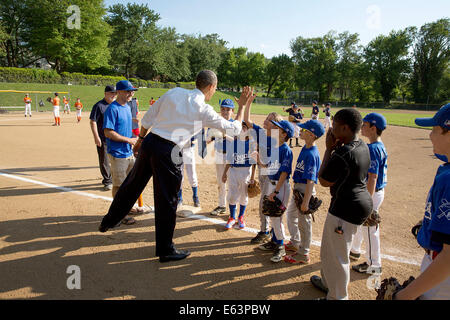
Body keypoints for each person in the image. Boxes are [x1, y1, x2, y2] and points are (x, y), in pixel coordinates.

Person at [98, 70, 252, 263]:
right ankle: (165, 249)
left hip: (151, 142)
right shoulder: (203, 109)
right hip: (169, 151)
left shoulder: (174, 92)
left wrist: (141, 140)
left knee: (132, 184)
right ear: (211, 87)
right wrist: (241, 108)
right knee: (167, 201)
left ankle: (109, 221)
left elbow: (148, 118)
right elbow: (234, 128)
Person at [310, 108, 372, 300]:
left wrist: (329, 149)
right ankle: (329, 284)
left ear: (345, 128)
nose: (331, 129)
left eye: (335, 125)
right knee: (330, 252)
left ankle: (337, 297)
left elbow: (324, 180)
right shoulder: (361, 145)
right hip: (357, 203)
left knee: (337, 258)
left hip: (345, 209)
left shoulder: (343, 152)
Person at [395, 104, 450, 300]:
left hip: (442, 276)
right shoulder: (446, 170)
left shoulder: (449, 179)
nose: (430, 135)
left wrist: (404, 296)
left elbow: (448, 258)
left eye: (435, 130)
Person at [350, 113, 388, 275]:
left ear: (373, 128)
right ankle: (355, 249)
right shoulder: (378, 145)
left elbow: (372, 177)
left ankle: (374, 264)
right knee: (360, 223)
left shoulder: (372, 149)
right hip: (375, 191)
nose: (362, 127)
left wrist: (368, 200)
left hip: (372, 192)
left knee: (370, 230)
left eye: (365, 125)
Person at [103, 80, 144, 225]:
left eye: (132, 91)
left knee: (130, 184)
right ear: (119, 92)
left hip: (128, 152)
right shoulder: (112, 109)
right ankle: (120, 214)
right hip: (117, 153)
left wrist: (134, 139)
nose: (131, 93)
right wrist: (128, 140)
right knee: (119, 186)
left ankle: (128, 207)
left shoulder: (127, 107)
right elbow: (108, 132)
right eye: (128, 91)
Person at [243, 95, 283, 244]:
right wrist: (248, 103)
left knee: (265, 205)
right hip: (263, 173)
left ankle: (266, 232)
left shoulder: (277, 140)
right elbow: (247, 121)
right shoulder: (261, 133)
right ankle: (268, 231)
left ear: (276, 126)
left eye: (269, 119)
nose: (265, 120)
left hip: (272, 176)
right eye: (266, 117)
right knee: (265, 204)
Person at [284, 120, 325, 265]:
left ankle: (304, 252)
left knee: (304, 222)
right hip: (298, 188)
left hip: (305, 190)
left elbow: (311, 181)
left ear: (312, 135)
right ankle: (295, 242)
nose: (301, 131)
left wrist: (306, 202)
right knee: (290, 215)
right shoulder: (306, 148)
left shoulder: (312, 154)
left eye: (304, 130)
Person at [255, 120, 294, 263]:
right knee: (272, 215)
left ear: (284, 134)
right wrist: (259, 160)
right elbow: (269, 168)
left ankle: (280, 246)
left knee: (276, 216)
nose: (274, 129)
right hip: (272, 184)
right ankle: (274, 241)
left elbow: (284, 173)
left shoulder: (286, 150)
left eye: (278, 129)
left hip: (280, 186)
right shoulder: (276, 148)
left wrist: (275, 192)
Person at [222, 121, 255, 230]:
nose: (242, 130)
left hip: (246, 171)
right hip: (233, 170)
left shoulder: (251, 144)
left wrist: (252, 177)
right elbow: (229, 159)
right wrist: (224, 174)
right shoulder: (234, 143)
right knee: (232, 194)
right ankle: (232, 217)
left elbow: (254, 162)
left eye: (244, 128)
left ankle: (240, 216)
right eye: (240, 128)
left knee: (243, 194)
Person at [207, 98, 236, 216]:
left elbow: (239, 140)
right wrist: (212, 135)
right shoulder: (216, 124)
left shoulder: (235, 124)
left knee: (233, 182)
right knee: (221, 181)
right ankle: (222, 205)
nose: (225, 112)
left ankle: (233, 209)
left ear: (233, 111)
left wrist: (225, 135)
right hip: (219, 154)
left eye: (228, 109)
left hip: (231, 157)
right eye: (223, 109)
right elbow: (207, 140)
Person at [89, 85, 116, 191]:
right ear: (105, 93)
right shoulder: (99, 106)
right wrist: (96, 137)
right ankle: (107, 181)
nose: (113, 95)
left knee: (115, 159)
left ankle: (115, 178)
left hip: (115, 138)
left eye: (115, 93)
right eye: (111, 93)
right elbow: (93, 121)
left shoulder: (116, 105)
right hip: (103, 138)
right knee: (104, 160)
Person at [178, 134, 201, 208]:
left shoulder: (191, 123)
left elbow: (196, 137)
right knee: (179, 174)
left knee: (192, 175)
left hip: (189, 150)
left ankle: (195, 196)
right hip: (178, 149)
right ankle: (179, 198)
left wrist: (192, 140)